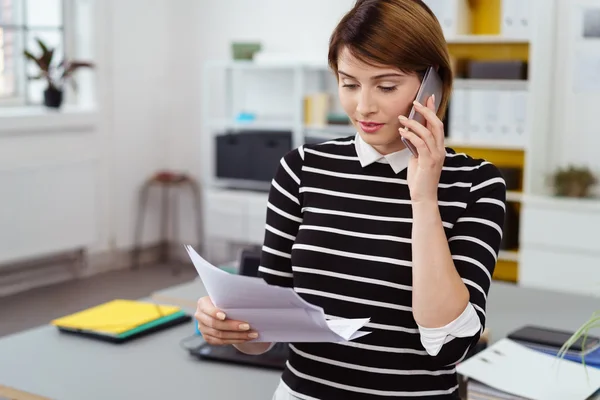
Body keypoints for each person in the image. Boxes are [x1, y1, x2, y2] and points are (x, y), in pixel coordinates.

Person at [195, 0, 507, 398]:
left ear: (434, 85)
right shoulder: (302, 169)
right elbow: (265, 335)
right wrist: (230, 327)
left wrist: (424, 197)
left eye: (386, 86)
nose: (363, 107)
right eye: (349, 83)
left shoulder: (477, 185)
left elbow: (449, 346)